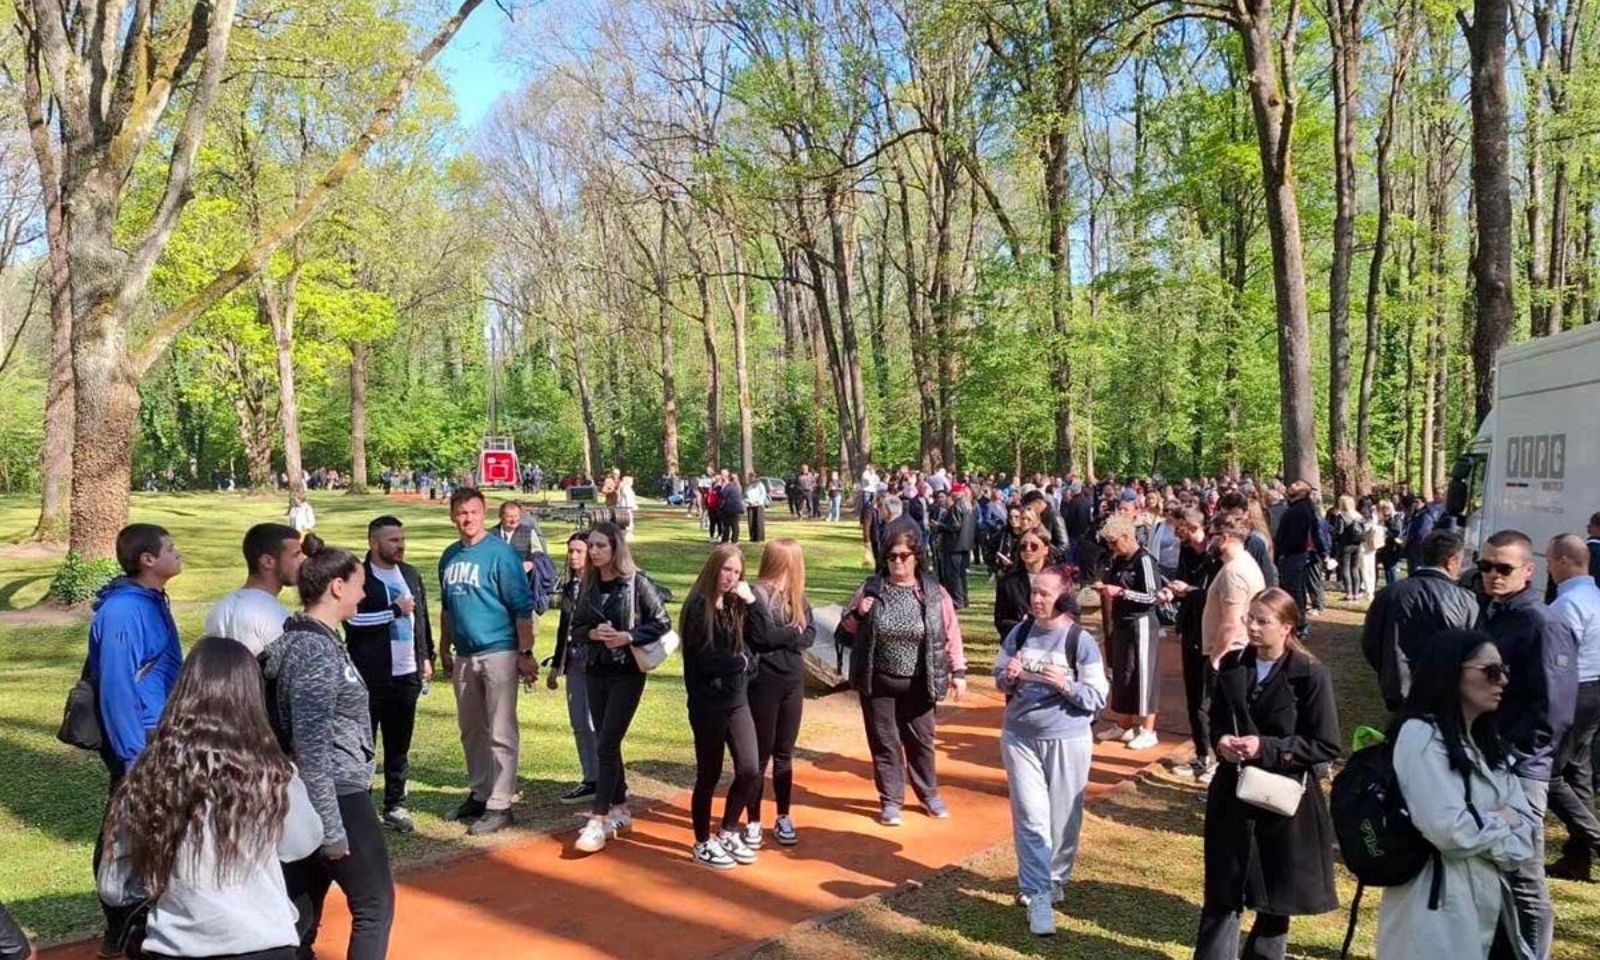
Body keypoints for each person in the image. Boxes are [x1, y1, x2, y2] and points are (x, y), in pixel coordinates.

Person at [97, 637, 321, 960]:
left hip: (175, 946)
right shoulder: (273, 772)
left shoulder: (150, 774)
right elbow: (304, 842)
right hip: (262, 943)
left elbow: (114, 885)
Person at [261, 535, 394, 960]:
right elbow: (312, 747)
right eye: (358, 584)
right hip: (334, 796)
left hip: (309, 797)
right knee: (374, 907)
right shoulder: (315, 652)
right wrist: (332, 829)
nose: (364, 593)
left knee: (299, 915)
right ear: (337, 587)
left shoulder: (310, 641)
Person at [1196, 589, 1340, 960]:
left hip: (1282, 799)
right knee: (1222, 893)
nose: (1252, 627)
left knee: (1274, 900)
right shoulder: (1232, 665)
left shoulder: (1310, 675)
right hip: (1232, 793)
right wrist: (1222, 741)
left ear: (1287, 627)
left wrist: (1268, 748)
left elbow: (1324, 744)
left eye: (1263, 621)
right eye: (1250, 618)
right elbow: (1214, 719)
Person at [1375, 630, 1538, 958]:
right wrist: (1502, 819)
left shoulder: (1491, 747)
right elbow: (1449, 831)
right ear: (1451, 671)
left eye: (1504, 670)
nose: (1502, 681)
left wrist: (1491, 826)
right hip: (1434, 914)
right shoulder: (1420, 736)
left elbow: (1525, 838)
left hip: (1491, 911)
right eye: (1491, 671)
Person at [1477, 529, 1578, 960]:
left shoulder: (1543, 622)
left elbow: (1553, 710)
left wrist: (1514, 756)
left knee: (1522, 875)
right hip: (1487, 760)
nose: (1493, 576)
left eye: (1504, 568)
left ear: (1529, 571)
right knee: (1490, 867)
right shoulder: (1494, 612)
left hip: (1520, 769)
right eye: (1486, 567)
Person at [995, 568, 1108, 936]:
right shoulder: (1020, 632)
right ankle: (1037, 892)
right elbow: (999, 677)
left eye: (1044, 594)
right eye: (1034, 593)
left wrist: (1065, 685)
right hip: (1020, 735)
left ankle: (1056, 877)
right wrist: (1009, 675)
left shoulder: (1080, 640)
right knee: (1030, 815)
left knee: (1063, 817)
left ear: (1062, 596)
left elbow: (1097, 697)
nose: (1036, 599)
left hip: (1068, 738)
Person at [90, 523, 184, 956]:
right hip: (139, 740)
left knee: (151, 829)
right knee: (125, 831)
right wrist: (132, 757)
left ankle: (141, 918)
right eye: (170, 548)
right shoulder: (124, 611)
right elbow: (116, 688)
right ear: (147, 560)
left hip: (158, 734)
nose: (177, 553)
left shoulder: (151, 600)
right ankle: (122, 927)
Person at [838, 522, 968, 825]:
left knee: (921, 741)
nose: (897, 561)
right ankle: (891, 800)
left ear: (917, 557)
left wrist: (958, 671)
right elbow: (844, 632)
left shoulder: (934, 593)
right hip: (878, 679)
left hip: (919, 681)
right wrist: (859, 613)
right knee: (884, 742)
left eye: (904, 555)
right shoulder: (871, 588)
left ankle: (929, 794)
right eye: (892, 556)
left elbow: (951, 633)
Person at [439, 488, 539, 837]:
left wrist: (525, 653)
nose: (468, 519)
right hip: (464, 654)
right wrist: (443, 647)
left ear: (484, 514)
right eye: (462, 513)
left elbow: (521, 609)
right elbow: (448, 608)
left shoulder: (501, 555)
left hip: (498, 650)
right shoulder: (449, 556)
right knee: (471, 728)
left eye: (474, 512)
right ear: (453, 516)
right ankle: (480, 792)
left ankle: (500, 803)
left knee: (500, 729)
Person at [570, 521, 673, 854]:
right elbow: (576, 627)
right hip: (595, 670)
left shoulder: (636, 583)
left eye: (601, 546)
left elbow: (662, 621)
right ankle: (621, 806)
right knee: (606, 741)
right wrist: (591, 634)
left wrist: (629, 636)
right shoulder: (587, 584)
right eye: (592, 546)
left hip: (627, 672)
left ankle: (598, 818)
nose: (595, 552)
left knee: (607, 740)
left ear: (616, 548)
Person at [343, 516, 433, 833]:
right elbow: (354, 622)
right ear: (374, 542)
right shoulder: (357, 577)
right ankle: (361, 809)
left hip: (406, 674)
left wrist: (426, 656)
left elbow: (420, 619)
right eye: (393, 540)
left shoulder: (409, 573)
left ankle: (395, 804)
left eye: (402, 538)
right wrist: (394, 610)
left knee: (399, 746)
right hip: (369, 676)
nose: (400, 545)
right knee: (362, 746)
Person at [679, 545, 763, 869]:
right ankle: (702, 841)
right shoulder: (697, 606)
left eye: (737, 573)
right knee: (709, 774)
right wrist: (740, 662)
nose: (730, 578)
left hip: (737, 700)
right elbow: (705, 659)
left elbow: (760, 639)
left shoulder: (736, 604)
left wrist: (752, 602)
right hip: (708, 704)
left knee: (750, 769)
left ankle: (728, 829)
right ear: (715, 568)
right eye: (727, 570)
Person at [743, 539, 816, 848]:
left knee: (784, 754)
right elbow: (762, 638)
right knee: (759, 756)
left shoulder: (797, 597)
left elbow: (810, 634)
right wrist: (791, 634)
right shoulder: (756, 596)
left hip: (791, 681)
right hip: (763, 682)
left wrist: (788, 637)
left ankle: (783, 815)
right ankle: (754, 820)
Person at [1360, 528, 1478, 714]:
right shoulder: (1465, 600)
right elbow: (1472, 651)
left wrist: (1388, 671)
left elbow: (1371, 642)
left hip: (1398, 688)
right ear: (1452, 561)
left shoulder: (1389, 594)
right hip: (1442, 693)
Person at [1545, 533, 1600, 882]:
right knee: (1577, 771)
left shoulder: (1567, 605)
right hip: (1593, 690)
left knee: (1547, 774)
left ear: (1564, 561)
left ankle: (1593, 839)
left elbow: (1555, 659)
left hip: (1574, 692)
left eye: (1549, 561)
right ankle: (1578, 859)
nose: (1547, 569)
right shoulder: (1594, 596)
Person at [1094, 516, 1163, 751]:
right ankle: (1124, 724)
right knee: (1123, 672)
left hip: (1141, 623)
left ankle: (1148, 729)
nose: (1112, 548)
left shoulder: (1144, 560)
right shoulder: (1118, 560)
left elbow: (1153, 596)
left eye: (1114, 542)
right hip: (1121, 623)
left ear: (1126, 537)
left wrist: (1122, 593)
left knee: (1143, 674)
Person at [546, 531, 598, 805]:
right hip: (574, 662)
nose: (573, 556)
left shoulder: (601, 586)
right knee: (579, 721)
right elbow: (563, 628)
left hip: (596, 663)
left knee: (595, 723)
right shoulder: (569, 587)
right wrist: (556, 665)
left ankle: (607, 779)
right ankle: (590, 777)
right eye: (570, 551)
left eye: (579, 551)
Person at [205, 523, 303, 656]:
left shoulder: (220, 608)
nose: (303, 561)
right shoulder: (272, 615)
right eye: (296, 555)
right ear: (268, 561)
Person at [993, 524, 1062, 643]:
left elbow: (1069, 615)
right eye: (1023, 546)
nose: (1028, 549)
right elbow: (1001, 619)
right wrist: (1022, 627)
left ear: (1045, 549)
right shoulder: (1007, 582)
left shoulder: (1059, 580)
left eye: (1034, 546)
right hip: (1018, 645)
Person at [1272, 482, 1320, 636]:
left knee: (1294, 590)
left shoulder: (1299, 510)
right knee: (1294, 589)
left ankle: (1299, 624)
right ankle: (1296, 622)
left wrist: (1282, 551)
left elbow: (1295, 536)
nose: (1292, 485)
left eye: (1297, 485)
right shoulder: (1296, 508)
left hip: (1294, 555)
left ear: (1303, 492)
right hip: (1293, 554)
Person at [930, 487, 975, 609]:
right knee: (961, 575)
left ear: (956, 493)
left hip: (954, 546)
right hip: (965, 546)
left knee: (953, 575)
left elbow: (955, 526)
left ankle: (957, 600)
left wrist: (939, 525)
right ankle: (964, 599)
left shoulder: (956, 507)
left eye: (951, 494)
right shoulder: (969, 507)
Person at [1405, 490, 1446, 575]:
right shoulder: (1416, 514)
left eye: (1418, 502)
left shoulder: (1425, 516)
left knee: (1418, 569)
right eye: (1414, 502)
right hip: (1412, 548)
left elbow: (1423, 533)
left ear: (1423, 503)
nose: (1415, 504)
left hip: (1419, 547)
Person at [1333, 495, 1366, 600]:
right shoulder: (1358, 516)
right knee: (1355, 568)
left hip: (1345, 545)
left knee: (1345, 569)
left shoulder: (1341, 516)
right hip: (1358, 544)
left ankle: (1349, 592)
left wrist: (1333, 533)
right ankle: (1356, 593)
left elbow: (1339, 531)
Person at [745, 471, 770, 543]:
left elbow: (763, 494)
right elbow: (745, 495)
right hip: (750, 505)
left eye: (752, 477)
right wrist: (748, 501)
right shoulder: (748, 486)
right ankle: (752, 537)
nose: (751, 479)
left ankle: (759, 537)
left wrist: (757, 501)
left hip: (758, 505)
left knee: (758, 521)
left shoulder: (760, 485)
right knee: (751, 521)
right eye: (750, 477)